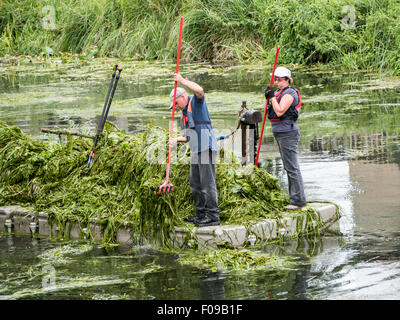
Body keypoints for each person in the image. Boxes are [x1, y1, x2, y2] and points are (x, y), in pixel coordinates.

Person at [168, 73, 220, 227]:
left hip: (206, 147)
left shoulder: (196, 102)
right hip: (196, 150)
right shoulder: (182, 115)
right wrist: (175, 140)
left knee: (207, 183)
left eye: (176, 103)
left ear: (183, 97)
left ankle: (213, 217)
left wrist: (182, 80)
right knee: (195, 183)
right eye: (174, 105)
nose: (176, 107)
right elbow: (187, 137)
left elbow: (200, 90)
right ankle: (201, 214)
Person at [264, 66, 306, 210]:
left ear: (287, 80)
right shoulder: (279, 92)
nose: (276, 82)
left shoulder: (290, 93)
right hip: (280, 133)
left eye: (279, 80)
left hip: (288, 133)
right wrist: (270, 98)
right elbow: (271, 111)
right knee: (288, 167)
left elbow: (280, 111)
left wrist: (272, 98)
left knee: (292, 167)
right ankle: (294, 198)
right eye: (275, 79)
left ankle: (298, 201)